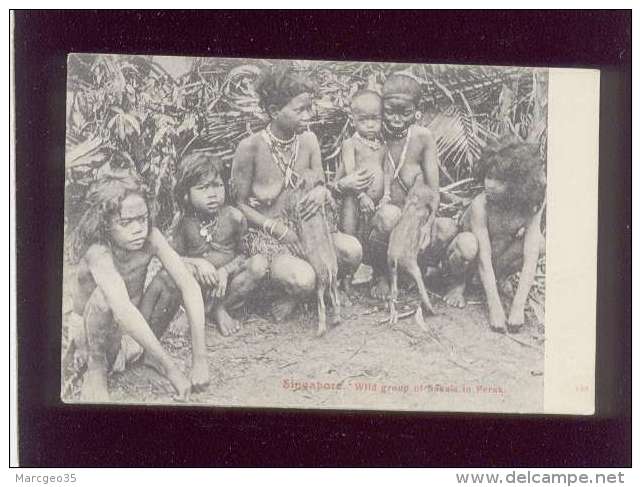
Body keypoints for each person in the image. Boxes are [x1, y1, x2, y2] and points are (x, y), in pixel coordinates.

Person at [231, 63, 362, 321]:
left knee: (352, 251)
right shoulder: (250, 148)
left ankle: (313, 291)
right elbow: (239, 204)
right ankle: (290, 293)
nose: (309, 115)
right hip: (269, 237)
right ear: (273, 111)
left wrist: (322, 192)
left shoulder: (309, 141)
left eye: (310, 107)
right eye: (300, 109)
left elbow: (321, 184)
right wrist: (278, 230)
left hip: (309, 229)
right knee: (303, 280)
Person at [67, 174, 209, 402]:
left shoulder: (152, 238)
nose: (138, 229)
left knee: (172, 279)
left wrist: (199, 359)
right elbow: (121, 310)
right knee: (104, 298)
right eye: (126, 223)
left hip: (134, 328)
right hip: (94, 337)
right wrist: (172, 369)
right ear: (104, 224)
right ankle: (97, 369)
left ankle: (150, 358)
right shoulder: (98, 253)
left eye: (142, 219)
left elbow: (188, 284)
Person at [440, 137, 546, 333]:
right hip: (473, 260)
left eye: (500, 180)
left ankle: (500, 278)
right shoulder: (481, 205)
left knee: (539, 244)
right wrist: (494, 307)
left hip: (498, 258)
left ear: (517, 183)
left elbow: (531, 258)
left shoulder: (530, 205)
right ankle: (458, 283)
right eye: (489, 176)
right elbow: (483, 257)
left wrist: (517, 308)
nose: (490, 184)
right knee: (468, 244)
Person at [363, 72, 453, 300]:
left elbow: (433, 191)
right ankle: (381, 273)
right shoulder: (370, 133)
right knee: (389, 216)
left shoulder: (423, 137)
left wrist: (427, 224)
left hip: (413, 221)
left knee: (447, 229)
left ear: (416, 111)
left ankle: (414, 268)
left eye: (406, 112)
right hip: (379, 224)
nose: (396, 119)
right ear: (382, 108)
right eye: (391, 111)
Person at [171, 151, 268, 336]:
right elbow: (174, 258)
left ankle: (215, 309)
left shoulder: (234, 217)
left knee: (259, 264)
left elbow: (243, 255)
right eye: (203, 188)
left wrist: (225, 271)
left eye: (217, 186)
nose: (212, 194)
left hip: (227, 283)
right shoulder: (184, 222)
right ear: (186, 194)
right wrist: (197, 265)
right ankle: (199, 309)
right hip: (198, 283)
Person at [334, 89, 386, 294]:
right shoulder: (350, 144)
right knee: (350, 236)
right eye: (364, 120)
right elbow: (350, 172)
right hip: (353, 200)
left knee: (368, 237)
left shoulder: (382, 147)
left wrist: (386, 196)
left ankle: (373, 275)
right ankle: (345, 281)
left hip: (375, 203)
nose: (370, 125)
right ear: (353, 120)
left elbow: (386, 172)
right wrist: (361, 195)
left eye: (375, 119)